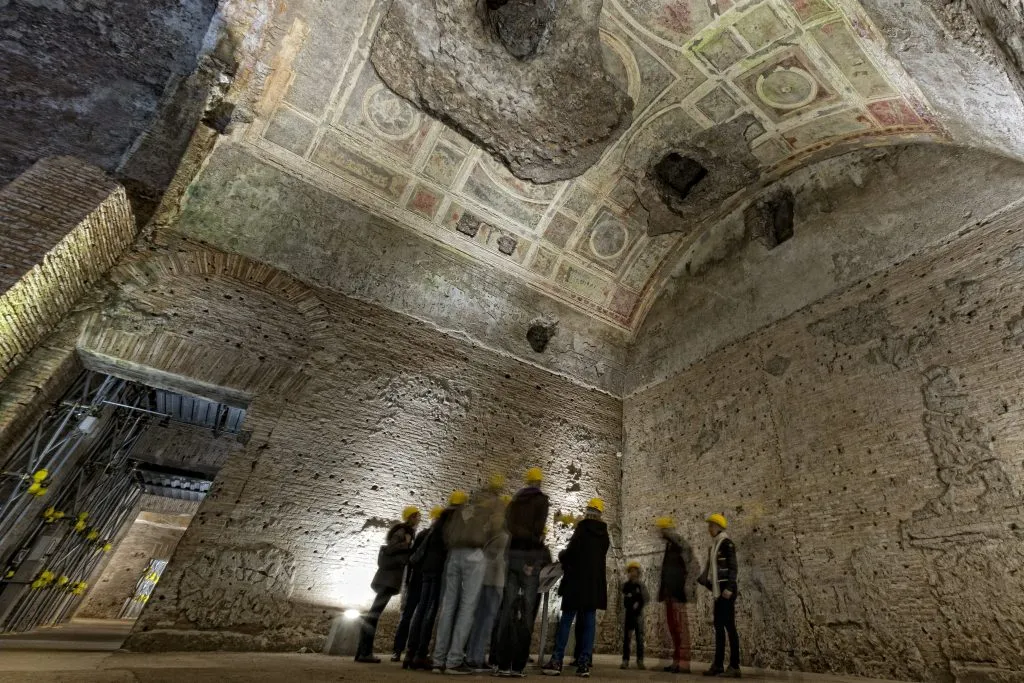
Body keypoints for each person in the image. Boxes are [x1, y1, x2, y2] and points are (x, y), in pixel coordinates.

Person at [432, 484, 503, 674]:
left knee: (447, 608)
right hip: (474, 555)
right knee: (467, 608)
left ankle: (438, 660)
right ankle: (454, 660)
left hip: (454, 555)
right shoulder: (490, 507)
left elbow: (447, 534)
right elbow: (497, 531)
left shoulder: (462, 510)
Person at [542, 498, 610, 678]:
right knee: (589, 623)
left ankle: (556, 661)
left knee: (566, 620)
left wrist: (562, 554)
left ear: (587, 510)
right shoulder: (605, 535)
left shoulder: (582, 528)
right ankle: (584, 663)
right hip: (593, 586)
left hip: (576, 583)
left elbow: (571, 553)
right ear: (600, 514)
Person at [494, 467, 551, 677]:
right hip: (529, 558)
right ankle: (518, 666)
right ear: (539, 483)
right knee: (527, 613)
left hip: (512, 556)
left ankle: (502, 664)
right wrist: (531, 557)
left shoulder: (515, 501)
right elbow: (538, 529)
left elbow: (507, 525)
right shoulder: (541, 501)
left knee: (507, 609)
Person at [403, 495, 463, 670]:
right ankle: (421, 654)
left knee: (421, 609)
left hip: (426, 571)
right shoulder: (449, 524)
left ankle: (410, 653)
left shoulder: (435, 526)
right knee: (430, 611)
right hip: (438, 570)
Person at [354, 505, 420, 663]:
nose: (419, 519)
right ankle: (365, 653)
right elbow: (390, 549)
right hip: (387, 579)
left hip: (389, 579)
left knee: (373, 614)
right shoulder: (402, 532)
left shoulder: (406, 532)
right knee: (373, 615)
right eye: (416, 516)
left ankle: (361, 652)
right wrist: (407, 544)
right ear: (410, 517)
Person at [467, 484, 510, 672]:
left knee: (480, 619)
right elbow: (496, 557)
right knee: (486, 621)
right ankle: (476, 658)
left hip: (484, 580)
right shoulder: (503, 536)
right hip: (495, 581)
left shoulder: (486, 533)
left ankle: (473, 655)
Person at [698, 513, 740, 678]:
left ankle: (735, 666)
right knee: (719, 628)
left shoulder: (726, 544)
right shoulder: (715, 545)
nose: (709, 529)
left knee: (729, 628)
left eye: (711, 526)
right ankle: (718, 665)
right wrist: (707, 583)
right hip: (719, 592)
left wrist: (729, 588)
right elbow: (715, 575)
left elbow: (733, 567)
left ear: (718, 527)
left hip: (726, 592)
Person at [391, 505, 436, 661]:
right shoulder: (410, 533)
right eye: (416, 515)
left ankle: (400, 650)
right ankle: (407, 650)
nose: (419, 518)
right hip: (420, 579)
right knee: (415, 615)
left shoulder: (418, 534)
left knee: (409, 615)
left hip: (416, 578)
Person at [656, 516, 692, 674]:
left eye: (663, 530)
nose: (661, 533)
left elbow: (683, 568)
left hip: (675, 594)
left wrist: (674, 591)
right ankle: (676, 661)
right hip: (670, 594)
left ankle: (683, 664)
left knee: (679, 629)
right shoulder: (670, 547)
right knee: (674, 630)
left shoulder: (677, 545)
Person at [620, 561, 648, 670]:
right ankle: (625, 660)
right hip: (629, 615)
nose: (633, 573)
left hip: (638, 615)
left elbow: (645, 598)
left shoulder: (640, 585)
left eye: (634, 571)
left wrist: (638, 604)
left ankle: (640, 660)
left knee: (639, 639)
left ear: (638, 572)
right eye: (631, 571)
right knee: (627, 638)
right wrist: (631, 602)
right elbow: (625, 600)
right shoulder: (626, 586)